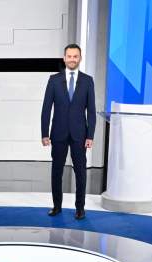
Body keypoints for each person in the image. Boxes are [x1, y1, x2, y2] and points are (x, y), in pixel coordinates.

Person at [41, 43, 96, 219]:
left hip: (80, 135)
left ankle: (80, 208)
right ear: (64, 58)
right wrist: (44, 133)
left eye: (75, 56)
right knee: (56, 171)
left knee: (80, 173)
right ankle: (57, 206)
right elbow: (46, 108)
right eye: (69, 56)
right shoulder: (54, 80)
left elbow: (92, 111)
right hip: (58, 133)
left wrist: (90, 135)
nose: (72, 59)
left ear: (80, 58)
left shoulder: (88, 81)